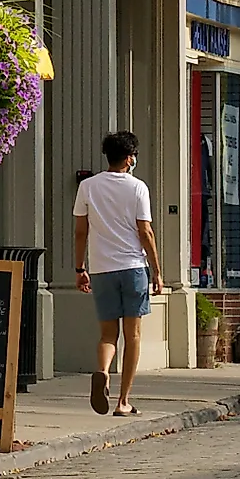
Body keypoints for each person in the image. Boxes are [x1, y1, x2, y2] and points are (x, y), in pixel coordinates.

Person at [72, 130, 164, 417]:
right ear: (129, 158)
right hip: (133, 267)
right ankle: (124, 401)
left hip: (101, 268)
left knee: (107, 335)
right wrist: (157, 271)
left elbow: (80, 231)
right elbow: (145, 232)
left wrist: (80, 268)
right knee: (132, 335)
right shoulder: (138, 188)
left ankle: (102, 371)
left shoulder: (87, 187)